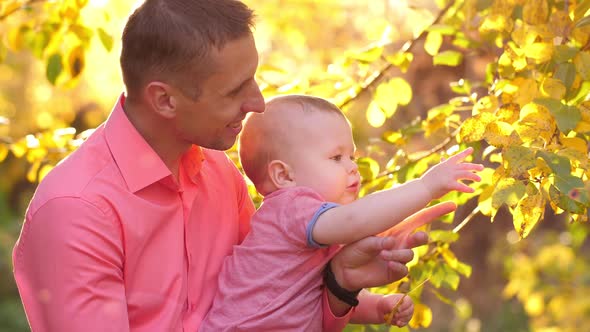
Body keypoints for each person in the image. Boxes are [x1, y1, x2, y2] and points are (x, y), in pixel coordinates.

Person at [12, 1, 451, 331]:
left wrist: (339, 284)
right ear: (165, 99)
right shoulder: (76, 210)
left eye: (254, 78)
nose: (258, 102)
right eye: (235, 90)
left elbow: (268, 305)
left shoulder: (223, 177)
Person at [199, 95, 484, 331]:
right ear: (284, 175)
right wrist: (425, 187)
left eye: (352, 156)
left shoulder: (314, 228)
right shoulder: (292, 207)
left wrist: (377, 307)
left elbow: (314, 293)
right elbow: (355, 221)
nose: (351, 167)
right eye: (336, 158)